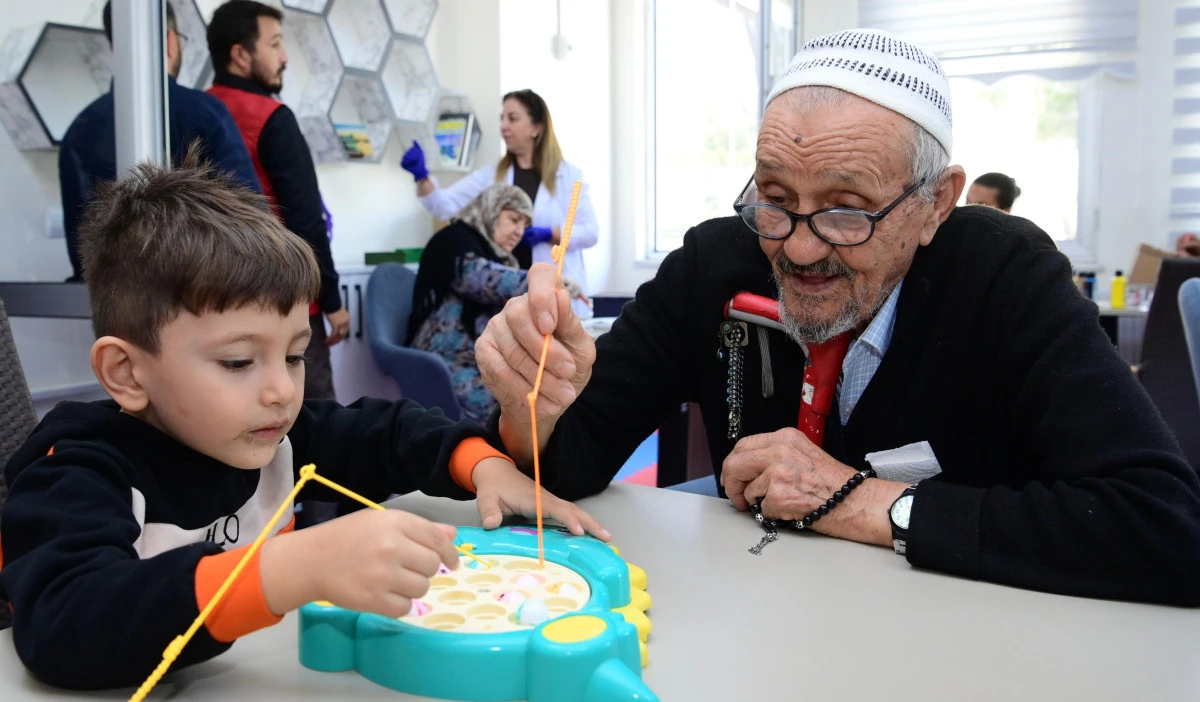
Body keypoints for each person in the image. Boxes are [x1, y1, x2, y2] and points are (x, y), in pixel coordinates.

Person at [475, 29, 1200, 606]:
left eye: (847, 209)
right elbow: (566, 467)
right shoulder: (714, 264)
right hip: (760, 626)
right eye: (774, 197)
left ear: (936, 204)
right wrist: (530, 406)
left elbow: (1168, 525)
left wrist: (860, 502)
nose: (798, 247)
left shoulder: (1004, 276)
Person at [0, 153, 606, 690]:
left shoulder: (276, 435)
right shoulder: (75, 475)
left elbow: (390, 433)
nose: (282, 390)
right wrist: (291, 568)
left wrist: (484, 465)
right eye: (238, 362)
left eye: (293, 356)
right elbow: (63, 621)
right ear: (127, 374)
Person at [205, 0, 350, 403]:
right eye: (274, 44)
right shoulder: (272, 118)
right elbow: (305, 221)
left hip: (217, 305)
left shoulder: (198, 112)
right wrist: (333, 301)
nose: (284, 57)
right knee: (314, 418)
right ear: (240, 54)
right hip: (286, 303)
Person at [58, 0, 260, 282]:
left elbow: (81, 253)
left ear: (115, 47)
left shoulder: (78, 132)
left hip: (113, 302)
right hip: (204, 294)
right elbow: (252, 223)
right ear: (170, 42)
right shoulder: (205, 113)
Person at [400, 89, 599, 318]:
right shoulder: (492, 175)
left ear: (537, 127)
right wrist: (422, 176)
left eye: (512, 118)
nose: (504, 126)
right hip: (507, 293)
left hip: (555, 289)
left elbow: (591, 232)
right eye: (502, 119)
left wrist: (549, 234)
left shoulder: (569, 176)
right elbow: (444, 206)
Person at [408, 184, 584, 424]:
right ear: (491, 210)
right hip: (444, 359)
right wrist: (547, 281)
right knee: (520, 403)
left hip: (477, 356)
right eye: (514, 220)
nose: (519, 232)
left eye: (525, 225)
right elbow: (483, 279)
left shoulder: (493, 252)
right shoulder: (453, 240)